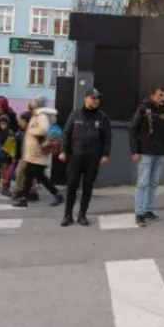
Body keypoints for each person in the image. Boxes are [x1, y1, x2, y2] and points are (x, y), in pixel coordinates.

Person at [59, 89, 112, 227]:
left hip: (92, 158)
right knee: (71, 186)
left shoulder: (102, 117)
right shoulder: (75, 114)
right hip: (75, 157)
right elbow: (66, 134)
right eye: (93, 98)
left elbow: (107, 138)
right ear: (86, 99)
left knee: (88, 186)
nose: (96, 101)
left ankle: (82, 215)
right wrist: (63, 151)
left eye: (98, 98)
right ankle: (67, 215)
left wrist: (105, 154)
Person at [129, 87, 164, 227]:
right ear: (152, 96)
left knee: (154, 183)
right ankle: (139, 213)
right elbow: (133, 129)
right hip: (145, 152)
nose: (163, 98)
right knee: (143, 183)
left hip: (161, 153)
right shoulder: (143, 109)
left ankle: (148, 210)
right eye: (160, 95)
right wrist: (134, 151)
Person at [12, 96, 64, 208]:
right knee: (29, 176)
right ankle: (23, 199)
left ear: (38, 104)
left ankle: (57, 194)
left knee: (40, 177)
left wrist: (31, 130)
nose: (32, 102)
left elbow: (43, 130)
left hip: (37, 153)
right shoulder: (36, 115)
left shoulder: (41, 116)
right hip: (33, 153)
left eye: (34, 101)